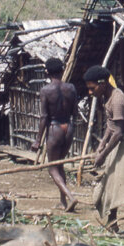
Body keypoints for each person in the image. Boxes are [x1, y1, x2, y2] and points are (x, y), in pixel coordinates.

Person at [85, 65, 124, 235]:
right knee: (110, 181)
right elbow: (111, 126)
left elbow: (118, 132)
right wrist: (101, 145)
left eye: (92, 88)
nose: (90, 93)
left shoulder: (118, 99)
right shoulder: (108, 97)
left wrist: (102, 155)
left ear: (102, 84)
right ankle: (112, 225)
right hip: (120, 142)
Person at [31, 57, 79, 211]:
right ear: (62, 70)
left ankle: (71, 197)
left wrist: (38, 140)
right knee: (60, 165)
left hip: (55, 128)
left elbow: (44, 117)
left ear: (47, 72)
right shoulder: (71, 88)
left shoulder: (46, 90)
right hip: (68, 127)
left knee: (52, 168)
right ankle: (64, 202)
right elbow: (74, 112)